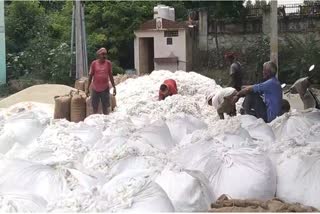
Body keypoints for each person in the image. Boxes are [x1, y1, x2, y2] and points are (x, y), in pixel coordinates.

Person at [87, 47, 116, 115]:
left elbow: (111, 76)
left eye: (105, 54)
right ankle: (96, 122)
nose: (104, 56)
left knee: (105, 107)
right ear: (99, 55)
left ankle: (105, 122)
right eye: (103, 54)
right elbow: (90, 76)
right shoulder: (94, 63)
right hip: (95, 88)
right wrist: (87, 88)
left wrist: (114, 87)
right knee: (95, 107)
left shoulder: (108, 63)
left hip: (105, 88)